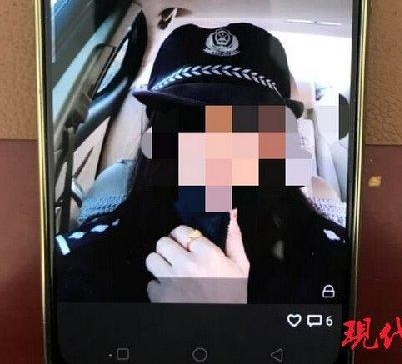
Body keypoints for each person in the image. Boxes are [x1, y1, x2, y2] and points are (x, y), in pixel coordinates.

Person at [56, 23, 349, 304]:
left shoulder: (339, 265)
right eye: (189, 125)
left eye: (245, 128)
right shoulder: (80, 262)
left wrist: (221, 320)